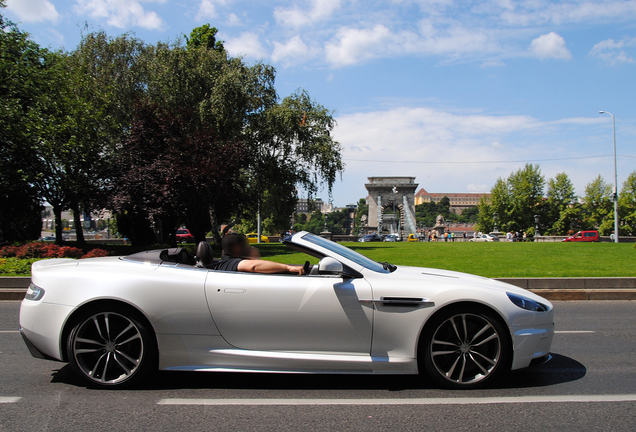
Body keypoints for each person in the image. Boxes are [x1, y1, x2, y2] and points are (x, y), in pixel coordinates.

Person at [214, 233, 304, 274]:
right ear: (237, 248)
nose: (250, 248)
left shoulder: (226, 262)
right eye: (246, 245)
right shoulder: (228, 264)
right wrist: (288, 268)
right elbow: (253, 266)